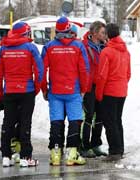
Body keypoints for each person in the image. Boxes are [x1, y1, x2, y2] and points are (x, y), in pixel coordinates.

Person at [0, 21, 43, 167]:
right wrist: (36, 88)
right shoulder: (30, 48)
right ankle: (25, 157)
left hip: (9, 91)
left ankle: (6, 156)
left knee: (8, 123)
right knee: (25, 123)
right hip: (26, 91)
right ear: (25, 33)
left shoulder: (3, 49)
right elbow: (39, 71)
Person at [41, 16, 90, 166]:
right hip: (73, 91)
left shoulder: (49, 47)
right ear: (70, 29)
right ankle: (72, 154)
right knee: (74, 121)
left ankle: (55, 154)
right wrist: (84, 89)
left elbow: (42, 70)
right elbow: (84, 70)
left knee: (56, 121)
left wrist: (44, 89)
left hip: (55, 91)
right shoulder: (78, 46)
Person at [95, 23, 131, 161]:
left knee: (109, 122)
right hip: (122, 91)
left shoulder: (107, 52)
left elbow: (102, 75)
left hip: (109, 91)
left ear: (108, 35)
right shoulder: (126, 51)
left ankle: (114, 151)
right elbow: (128, 73)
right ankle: (120, 148)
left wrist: (99, 93)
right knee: (117, 120)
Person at [81, 21, 107, 158]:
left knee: (100, 116)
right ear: (95, 33)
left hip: (101, 85)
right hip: (88, 86)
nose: (105, 35)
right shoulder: (84, 46)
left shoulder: (105, 46)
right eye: (102, 32)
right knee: (88, 115)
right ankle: (84, 146)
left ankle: (95, 144)